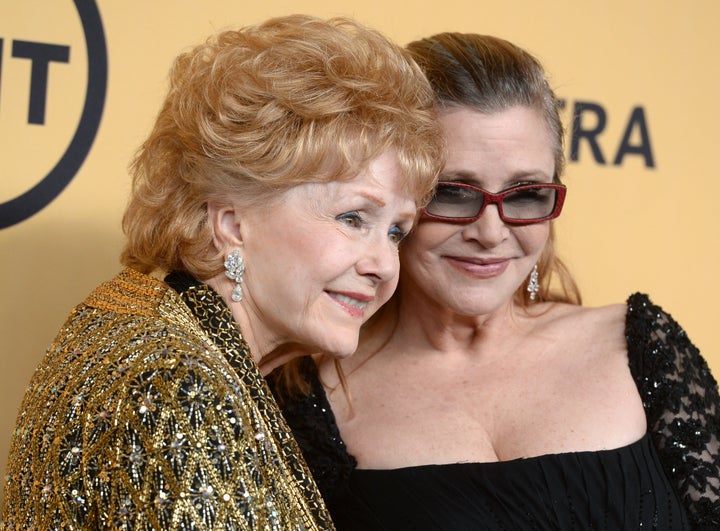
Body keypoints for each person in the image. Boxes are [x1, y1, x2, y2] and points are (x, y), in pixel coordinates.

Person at [0, 15, 443, 529]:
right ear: (232, 223)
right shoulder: (176, 387)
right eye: (352, 218)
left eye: (396, 232)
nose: (384, 266)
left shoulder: (145, 324)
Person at [269, 32, 720, 530]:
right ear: (395, 197)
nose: (490, 232)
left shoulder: (641, 346)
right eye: (454, 193)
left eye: (525, 194)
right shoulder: (306, 401)